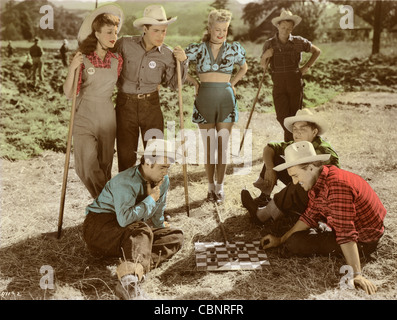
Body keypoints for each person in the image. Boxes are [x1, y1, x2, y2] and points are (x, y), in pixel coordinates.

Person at [261, 141, 386, 295]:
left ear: (311, 168)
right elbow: (308, 217)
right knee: (292, 239)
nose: (294, 182)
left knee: (295, 244)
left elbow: (346, 233)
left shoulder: (337, 186)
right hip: (351, 230)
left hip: (364, 241)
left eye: (295, 176)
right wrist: (280, 239)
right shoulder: (320, 178)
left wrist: (356, 275)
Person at [83, 139, 184, 300]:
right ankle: (128, 284)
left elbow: (159, 208)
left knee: (175, 235)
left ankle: (134, 268)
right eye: (162, 167)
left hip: (126, 230)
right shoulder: (125, 182)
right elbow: (125, 220)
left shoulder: (163, 180)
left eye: (168, 167)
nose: (166, 172)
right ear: (148, 162)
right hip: (99, 228)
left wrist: (160, 226)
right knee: (141, 230)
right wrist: (150, 199)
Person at [115, 4, 189, 172]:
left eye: (164, 31)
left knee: (154, 156)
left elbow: (174, 85)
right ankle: (128, 195)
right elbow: (104, 58)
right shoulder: (125, 44)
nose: (161, 35)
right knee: (126, 156)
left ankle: (151, 196)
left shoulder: (167, 54)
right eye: (156, 30)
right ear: (145, 29)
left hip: (151, 107)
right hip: (125, 105)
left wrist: (183, 62)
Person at [185, 9, 248, 203]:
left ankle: (220, 188)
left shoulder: (234, 49)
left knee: (222, 146)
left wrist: (233, 83)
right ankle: (209, 188)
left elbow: (244, 68)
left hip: (226, 100)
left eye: (225, 30)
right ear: (209, 28)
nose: (221, 33)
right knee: (209, 147)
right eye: (217, 29)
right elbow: (180, 67)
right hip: (204, 99)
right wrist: (195, 83)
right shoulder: (196, 49)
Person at [63, 4, 124, 199]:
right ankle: (110, 203)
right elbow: (68, 93)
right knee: (86, 165)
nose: (113, 36)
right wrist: (72, 68)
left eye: (115, 32)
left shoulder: (117, 59)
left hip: (107, 116)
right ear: (96, 34)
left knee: (105, 165)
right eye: (108, 32)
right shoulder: (83, 58)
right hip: (84, 114)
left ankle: (104, 209)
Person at [241, 108, 339, 224]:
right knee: (275, 159)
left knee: (299, 182)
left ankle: (262, 216)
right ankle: (264, 197)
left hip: (319, 197)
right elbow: (270, 148)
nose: (297, 133)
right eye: (295, 129)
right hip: (304, 188)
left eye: (302, 129)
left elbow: (329, 183)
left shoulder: (324, 150)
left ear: (314, 132)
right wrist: (270, 169)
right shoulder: (296, 144)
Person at [261, 10, 321, 142]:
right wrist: (266, 55)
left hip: (295, 82)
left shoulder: (299, 42)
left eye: (289, 28)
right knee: (282, 116)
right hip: (278, 83)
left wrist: (306, 67)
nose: (285, 30)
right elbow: (263, 66)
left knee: (294, 116)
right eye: (283, 27)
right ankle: (292, 142)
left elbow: (317, 51)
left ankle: (291, 145)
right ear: (277, 26)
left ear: (292, 28)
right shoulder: (269, 44)